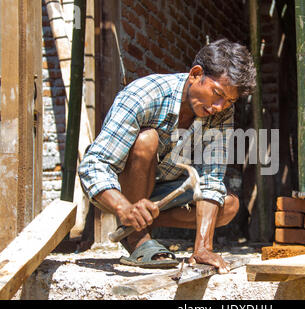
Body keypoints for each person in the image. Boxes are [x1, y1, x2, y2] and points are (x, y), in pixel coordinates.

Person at [78, 39, 256, 274]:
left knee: (229, 205)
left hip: (163, 194)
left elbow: (211, 179)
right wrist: (123, 207)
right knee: (147, 139)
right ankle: (138, 239)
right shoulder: (145, 94)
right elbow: (94, 165)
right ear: (195, 74)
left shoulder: (221, 113)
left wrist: (203, 248)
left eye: (229, 101)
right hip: (122, 189)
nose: (219, 107)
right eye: (217, 94)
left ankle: (138, 222)